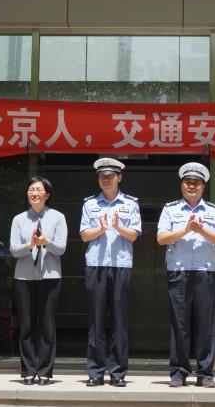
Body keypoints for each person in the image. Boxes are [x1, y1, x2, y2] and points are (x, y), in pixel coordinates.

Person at [157, 162, 215, 388]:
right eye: (188, 182)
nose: (192, 186)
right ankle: (179, 371)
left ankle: (205, 372)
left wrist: (201, 229)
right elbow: (161, 238)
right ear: (181, 186)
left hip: (205, 272)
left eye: (196, 183)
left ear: (203, 187)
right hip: (179, 272)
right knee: (180, 324)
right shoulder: (170, 209)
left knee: (205, 324)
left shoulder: (213, 211)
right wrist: (186, 229)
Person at [79, 157, 141, 388]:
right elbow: (84, 235)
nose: (105, 180)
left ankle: (118, 373)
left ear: (119, 178)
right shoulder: (89, 204)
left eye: (110, 176)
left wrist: (118, 227)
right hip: (96, 265)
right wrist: (101, 228)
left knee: (119, 321)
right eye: (102, 176)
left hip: (121, 266)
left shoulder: (131, 204)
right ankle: (95, 372)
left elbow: (134, 235)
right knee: (96, 321)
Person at [9, 176, 68, 385]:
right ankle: (27, 370)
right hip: (23, 277)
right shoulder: (19, 219)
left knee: (46, 326)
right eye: (31, 189)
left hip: (50, 277)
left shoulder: (58, 217)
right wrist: (30, 245)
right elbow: (13, 249)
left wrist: (46, 242)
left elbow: (61, 248)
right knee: (26, 326)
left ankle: (44, 371)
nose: (34, 193)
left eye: (39, 190)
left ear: (47, 195)